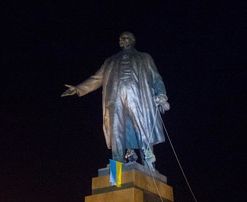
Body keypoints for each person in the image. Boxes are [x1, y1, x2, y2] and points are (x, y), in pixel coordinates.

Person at [61, 32, 170, 169]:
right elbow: (97, 78)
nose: (121, 40)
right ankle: (116, 169)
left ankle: (149, 166)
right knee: (116, 132)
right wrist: (78, 89)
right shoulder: (110, 61)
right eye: (120, 39)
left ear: (131, 40)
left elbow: (156, 78)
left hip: (137, 96)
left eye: (124, 38)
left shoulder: (144, 57)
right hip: (115, 98)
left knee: (142, 129)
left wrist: (162, 95)